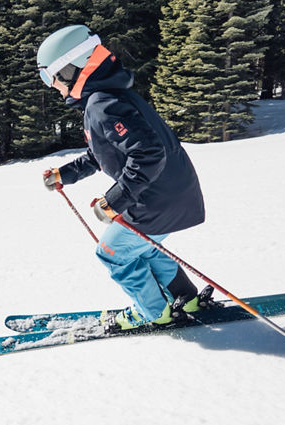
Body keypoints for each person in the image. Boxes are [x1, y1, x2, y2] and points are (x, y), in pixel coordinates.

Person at [37, 25, 207, 331]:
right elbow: (102, 154)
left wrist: (115, 200)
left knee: (112, 253)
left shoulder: (103, 104)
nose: (52, 86)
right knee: (143, 247)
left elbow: (149, 154)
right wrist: (66, 173)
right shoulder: (108, 97)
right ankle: (185, 297)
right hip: (175, 194)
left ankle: (153, 312)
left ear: (72, 68)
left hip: (157, 201)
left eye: (50, 77)